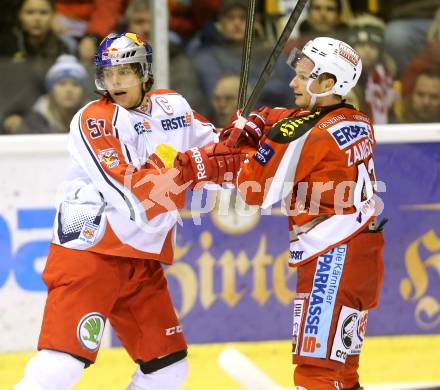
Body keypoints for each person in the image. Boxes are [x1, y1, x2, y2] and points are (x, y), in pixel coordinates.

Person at [13, 32, 242, 390]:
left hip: (141, 260)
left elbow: (218, 153)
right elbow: (135, 198)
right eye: (108, 72)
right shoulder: (93, 120)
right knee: (63, 365)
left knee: (167, 369)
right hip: (91, 252)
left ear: (143, 72)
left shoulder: (174, 107)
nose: (115, 81)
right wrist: (199, 170)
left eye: (124, 72)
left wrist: (239, 142)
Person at [222, 37, 385, 389]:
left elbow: (253, 190)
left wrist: (240, 148)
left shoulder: (302, 134)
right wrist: (259, 123)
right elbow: (290, 120)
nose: (294, 83)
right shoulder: (358, 119)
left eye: (303, 76)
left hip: (332, 259)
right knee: (343, 371)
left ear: (328, 83)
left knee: (316, 374)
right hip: (362, 254)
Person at [10, 54, 89, 134]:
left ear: (83, 91)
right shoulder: (32, 123)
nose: (69, 90)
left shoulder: (96, 120)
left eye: (75, 84)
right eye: (62, 83)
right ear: (51, 90)